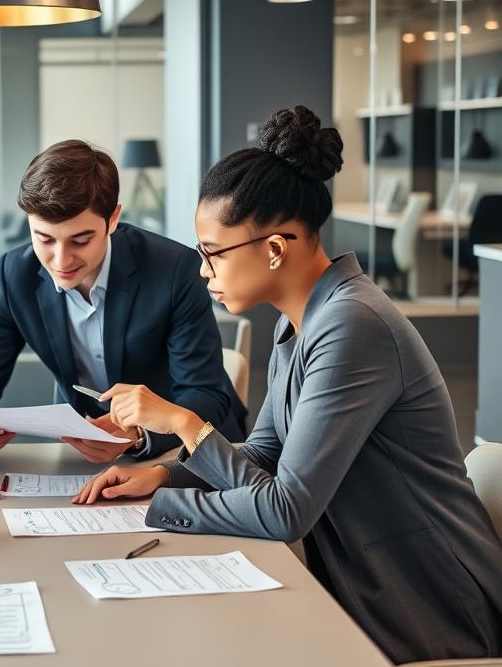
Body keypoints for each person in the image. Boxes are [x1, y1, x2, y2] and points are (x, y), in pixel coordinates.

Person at [74, 106, 502, 664]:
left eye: (212, 253)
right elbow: (266, 454)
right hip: (363, 589)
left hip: (426, 605)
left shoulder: (354, 325)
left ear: (275, 248)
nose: (203, 270)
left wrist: (181, 428)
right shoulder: (299, 324)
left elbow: (284, 510)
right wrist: (162, 476)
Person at [0, 140, 246, 466]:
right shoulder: (15, 275)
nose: (61, 260)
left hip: (190, 455)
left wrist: (140, 436)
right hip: (84, 457)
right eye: (44, 239)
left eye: (80, 240)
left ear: (112, 220)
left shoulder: (174, 269)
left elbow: (206, 394)